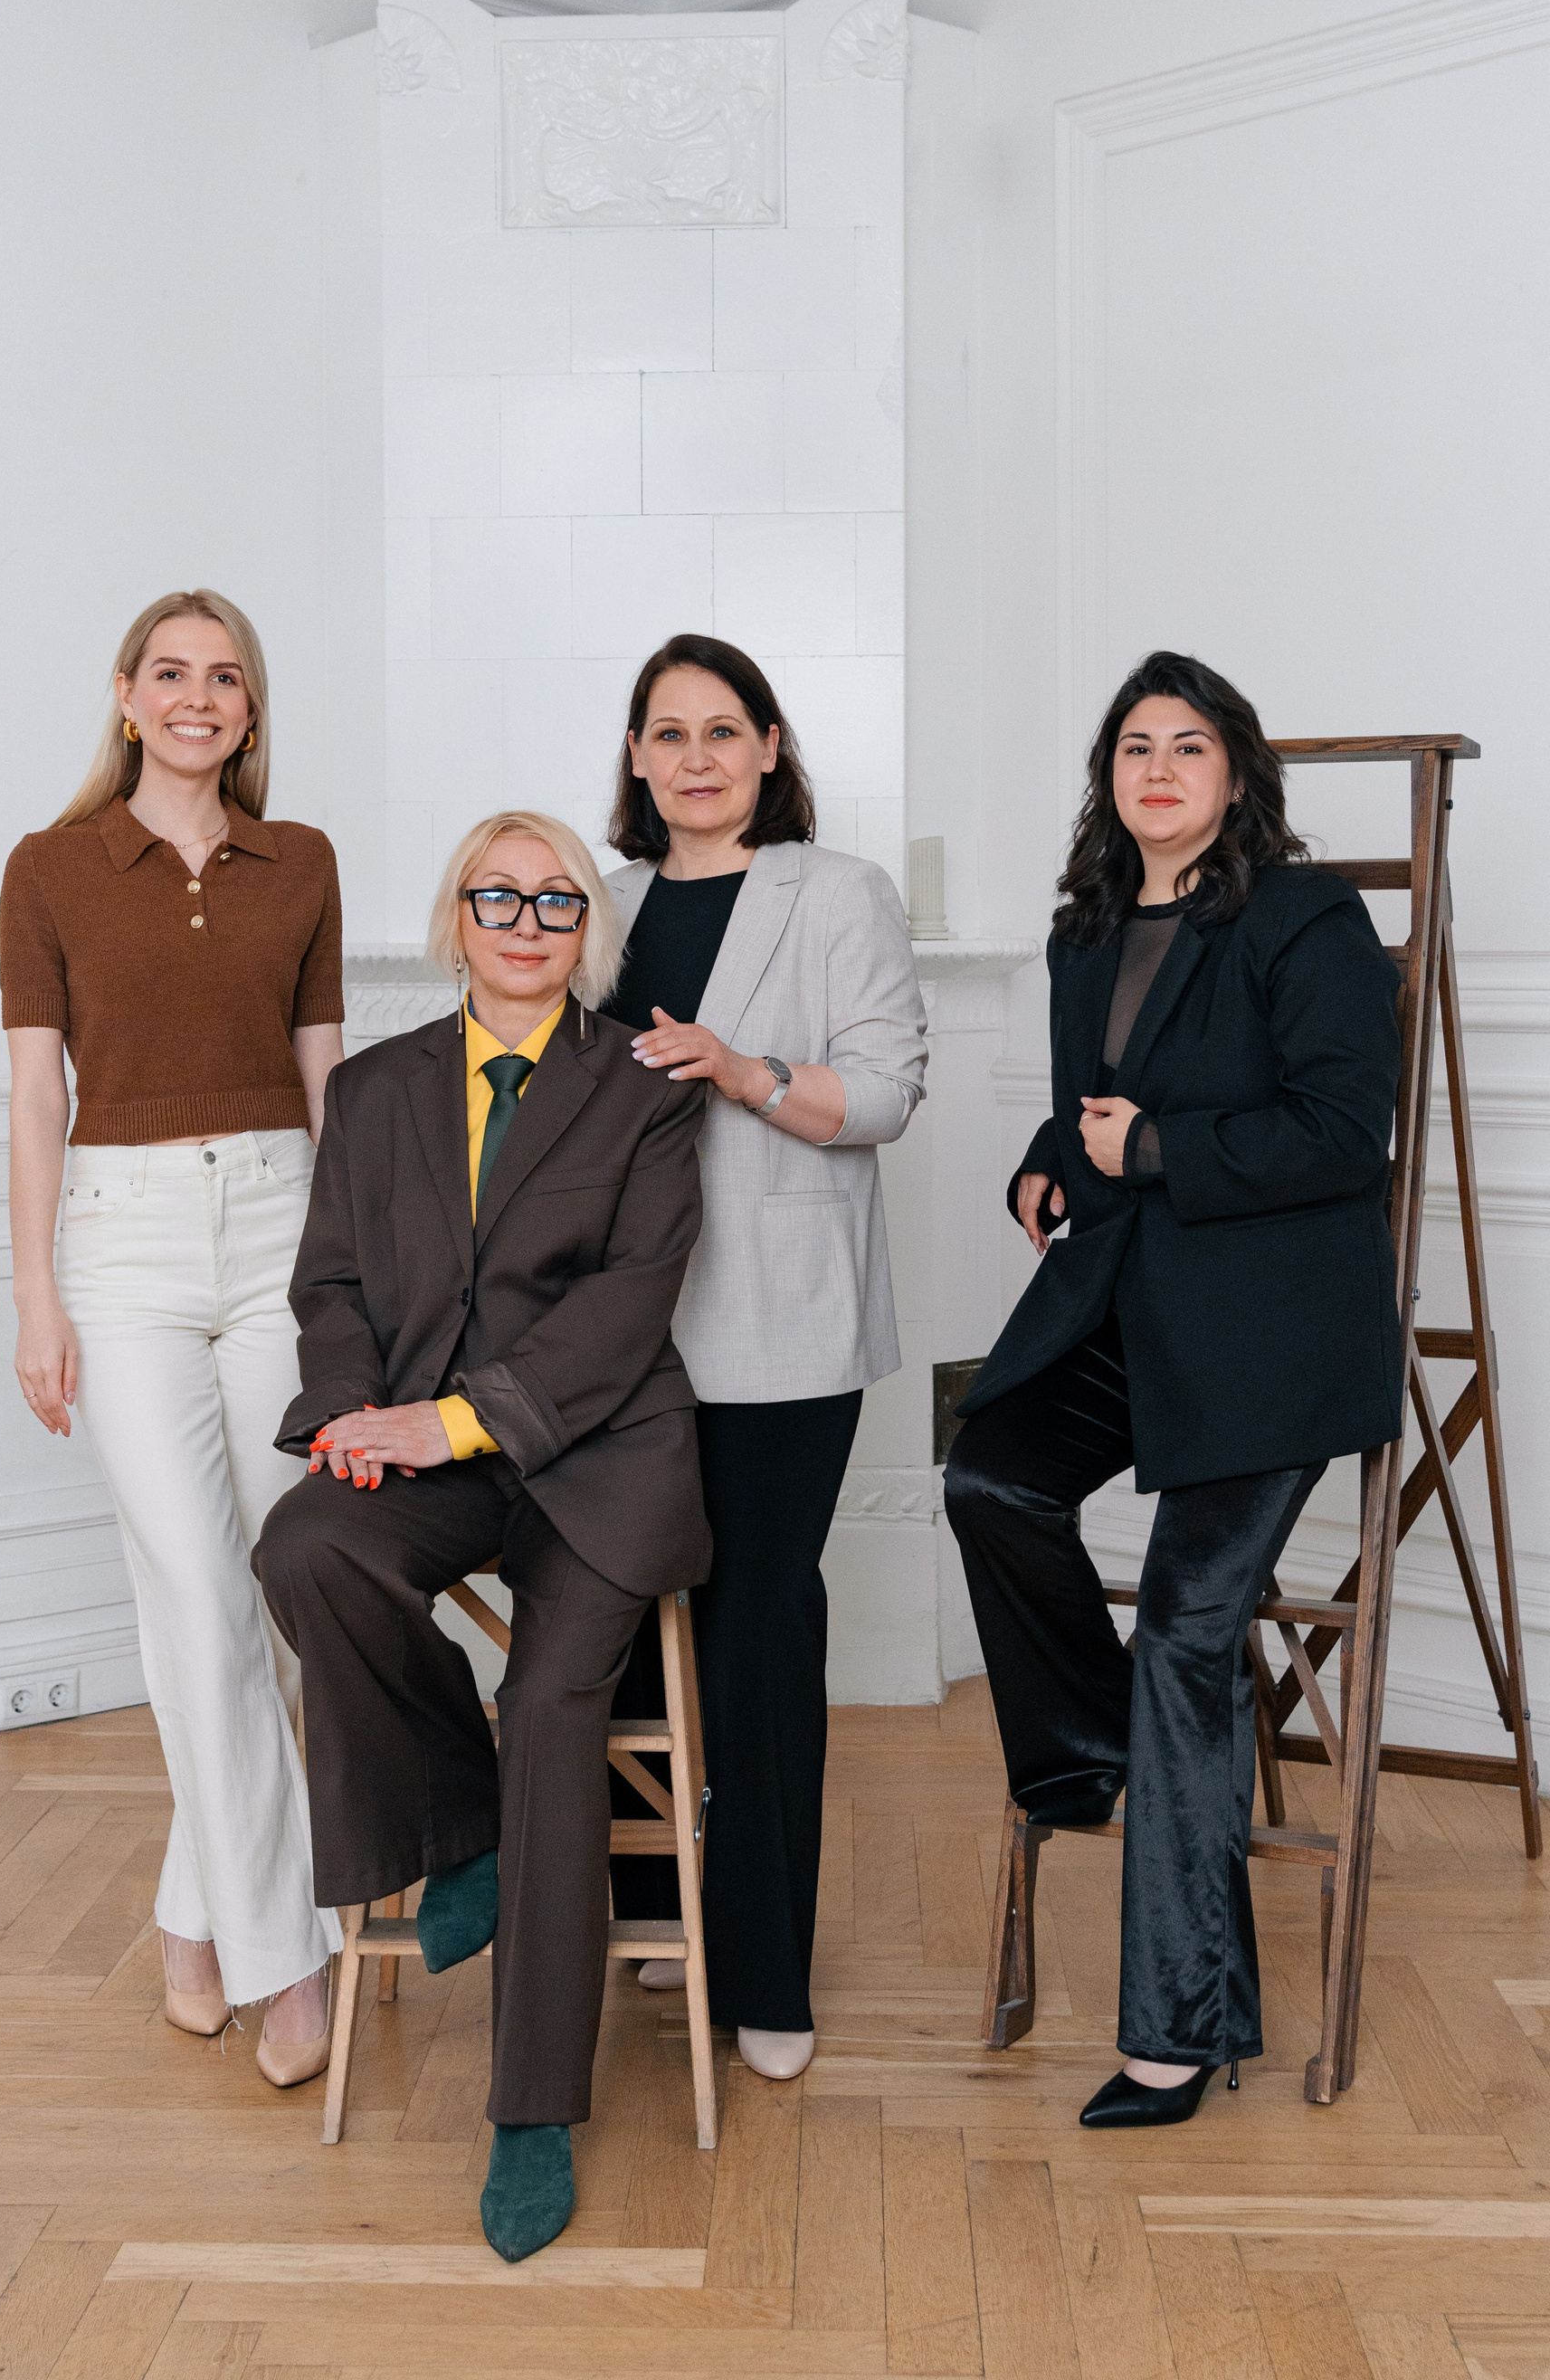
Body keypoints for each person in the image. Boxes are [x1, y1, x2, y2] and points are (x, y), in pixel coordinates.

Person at [946, 650, 1403, 2128]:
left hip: (1271, 1341)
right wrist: (1051, 1156)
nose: (1158, 769)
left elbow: (1346, 1131)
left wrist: (1151, 1151)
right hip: (1130, 1313)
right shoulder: (1089, 928)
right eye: (1135, 746)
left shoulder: (1306, 918)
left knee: (1191, 1632)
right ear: (1110, 777)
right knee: (988, 1475)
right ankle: (1092, 1748)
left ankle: (1179, 2032)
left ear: (1236, 773)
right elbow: (1102, 1097)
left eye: (1188, 746)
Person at [251, 811, 709, 2262]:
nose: (526, 922)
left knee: (556, 1712)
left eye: (557, 901)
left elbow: (629, 1305)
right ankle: (466, 1830)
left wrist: (449, 1425)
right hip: (419, 1441)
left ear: (589, 933)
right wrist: (349, 1415)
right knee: (305, 1548)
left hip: (597, 1456)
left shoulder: (641, 1088)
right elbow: (332, 1284)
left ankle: (533, 2111)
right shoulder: (375, 1088)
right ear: (456, 919)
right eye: (497, 897)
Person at [0, 588, 346, 2086]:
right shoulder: (49, 867)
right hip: (121, 1241)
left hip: (280, 1231)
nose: (199, 697)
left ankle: (192, 1916)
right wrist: (37, 1298)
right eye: (171, 673)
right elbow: (37, 1097)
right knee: (196, 1590)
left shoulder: (302, 861)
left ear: (250, 709)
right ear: (129, 696)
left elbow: (328, 1082)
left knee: (270, 1588)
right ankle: (291, 1961)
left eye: (226, 677)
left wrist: (353, 1281)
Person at [601, 635, 927, 2082]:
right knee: (615, 1621)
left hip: (783, 1324)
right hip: (619, 1330)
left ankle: (766, 1971)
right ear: (635, 759)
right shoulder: (601, 903)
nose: (696, 758)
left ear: (771, 747)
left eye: (723, 729)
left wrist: (743, 1071)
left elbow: (890, 1093)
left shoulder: (838, 893)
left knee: (755, 1631)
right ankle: (651, 1916)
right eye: (668, 733)